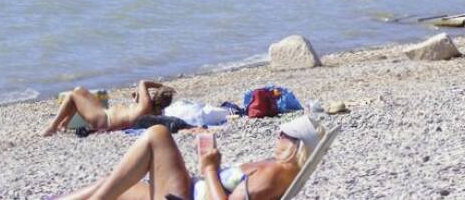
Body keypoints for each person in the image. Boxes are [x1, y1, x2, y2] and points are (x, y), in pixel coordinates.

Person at [58, 115, 318, 200]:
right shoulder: (278, 169)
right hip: (188, 190)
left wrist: (208, 168)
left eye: (284, 135)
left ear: (297, 146)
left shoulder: (275, 175)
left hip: (184, 196)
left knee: (158, 134)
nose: (277, 136)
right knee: (112, 183)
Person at [43, 80, 174, 137]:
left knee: (74, 94)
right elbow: (135, 115)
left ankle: (52, 128)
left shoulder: (146, 105)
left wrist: (163, 86)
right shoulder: (155, 111)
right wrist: (135, 101)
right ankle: (64, 124)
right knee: (80, 91)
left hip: (103, 119)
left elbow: (143, 83)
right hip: (104, 117)